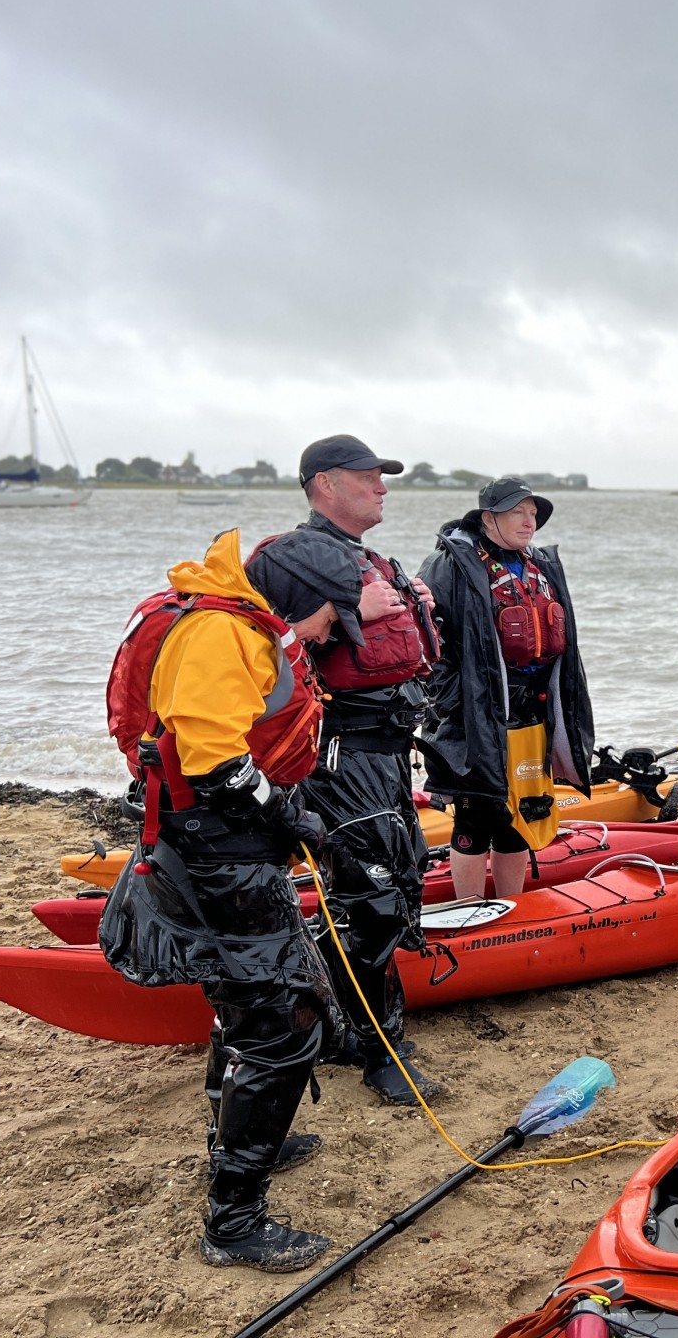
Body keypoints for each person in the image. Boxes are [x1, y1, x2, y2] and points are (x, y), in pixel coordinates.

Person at [97, 529, 346, 1272]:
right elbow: (213, 762)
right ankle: (235, 1221)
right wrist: (291, 816)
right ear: (299, 598)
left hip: (216, 843)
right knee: (282, 1021)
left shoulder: (236, 620)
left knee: (244, 999)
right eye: (332, 615)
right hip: (215, 851)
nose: (333, 630)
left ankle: (234, 1144)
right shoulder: (219, 634)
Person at [245, 434, 443, 1108]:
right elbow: (248, 643)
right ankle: (383, 1055)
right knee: (374, 899)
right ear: (325, 484)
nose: (383, 487)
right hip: (338, 757)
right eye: (369, 478)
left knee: (385, 890)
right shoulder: (293, 559)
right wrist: (343, 613)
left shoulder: (367, 560)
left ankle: (342, 1030)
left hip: (386, 756)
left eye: (383, 478)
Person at [418, 478, 595, 902]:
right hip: (475, 715)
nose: (529, 521)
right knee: (476, 814)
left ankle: (512, 905)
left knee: (521, 815)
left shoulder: (540, 565)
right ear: (488, 518)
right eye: (518, 512)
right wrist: (451, 701)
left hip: (533, 709)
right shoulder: (449, 565)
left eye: (533, 513)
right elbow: (426, 641)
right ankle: (468, 907)